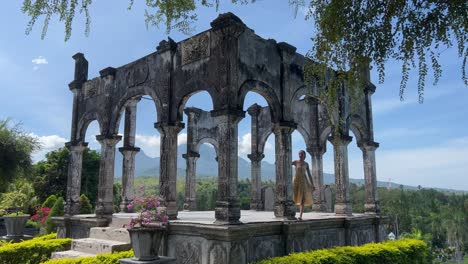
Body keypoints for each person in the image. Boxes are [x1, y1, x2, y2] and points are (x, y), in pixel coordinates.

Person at [292, 150, 314, 220]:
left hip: (304, 181)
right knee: (293, 196)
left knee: (302, 198)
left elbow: (309, 175)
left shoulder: (306, 164)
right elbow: (286, 163)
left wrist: (312, 184)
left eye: (301, 154)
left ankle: (300, 216)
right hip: (296, 181)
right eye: (299, 154)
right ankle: (291, 213)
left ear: (304, 155)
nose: (300, 155)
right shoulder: (295, 162)